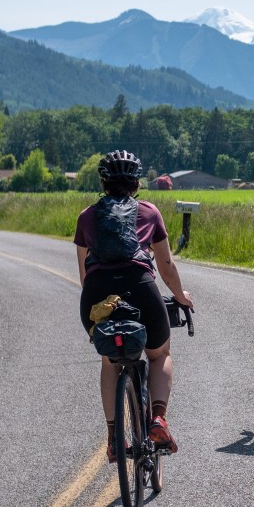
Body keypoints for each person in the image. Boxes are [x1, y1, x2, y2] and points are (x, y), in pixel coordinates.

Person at [74, 150, 194, 459]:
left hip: (98, 293)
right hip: (140, 287)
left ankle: (115, 437)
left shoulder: (86, 217)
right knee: (159, 354)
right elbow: (166, 266)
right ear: (136, 182)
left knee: (109, 360)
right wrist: (181, 297)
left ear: (103, 182)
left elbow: (84, 274)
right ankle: (157, 418)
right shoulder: (149, 212)